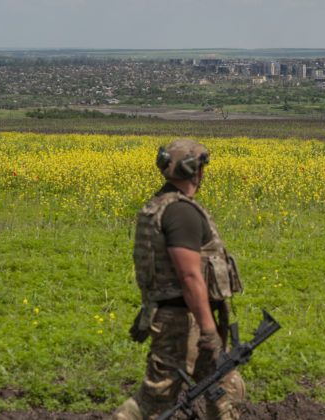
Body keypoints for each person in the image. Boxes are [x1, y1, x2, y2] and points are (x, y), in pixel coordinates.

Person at [113, 138, 244, 420]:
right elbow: (188, 276)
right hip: (183, 325)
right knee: (152, 403)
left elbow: (161, 273)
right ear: (197, 172)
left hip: (179, 317)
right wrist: (210, 333)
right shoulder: (181, 212)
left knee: (227, 388)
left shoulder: (158, 206)